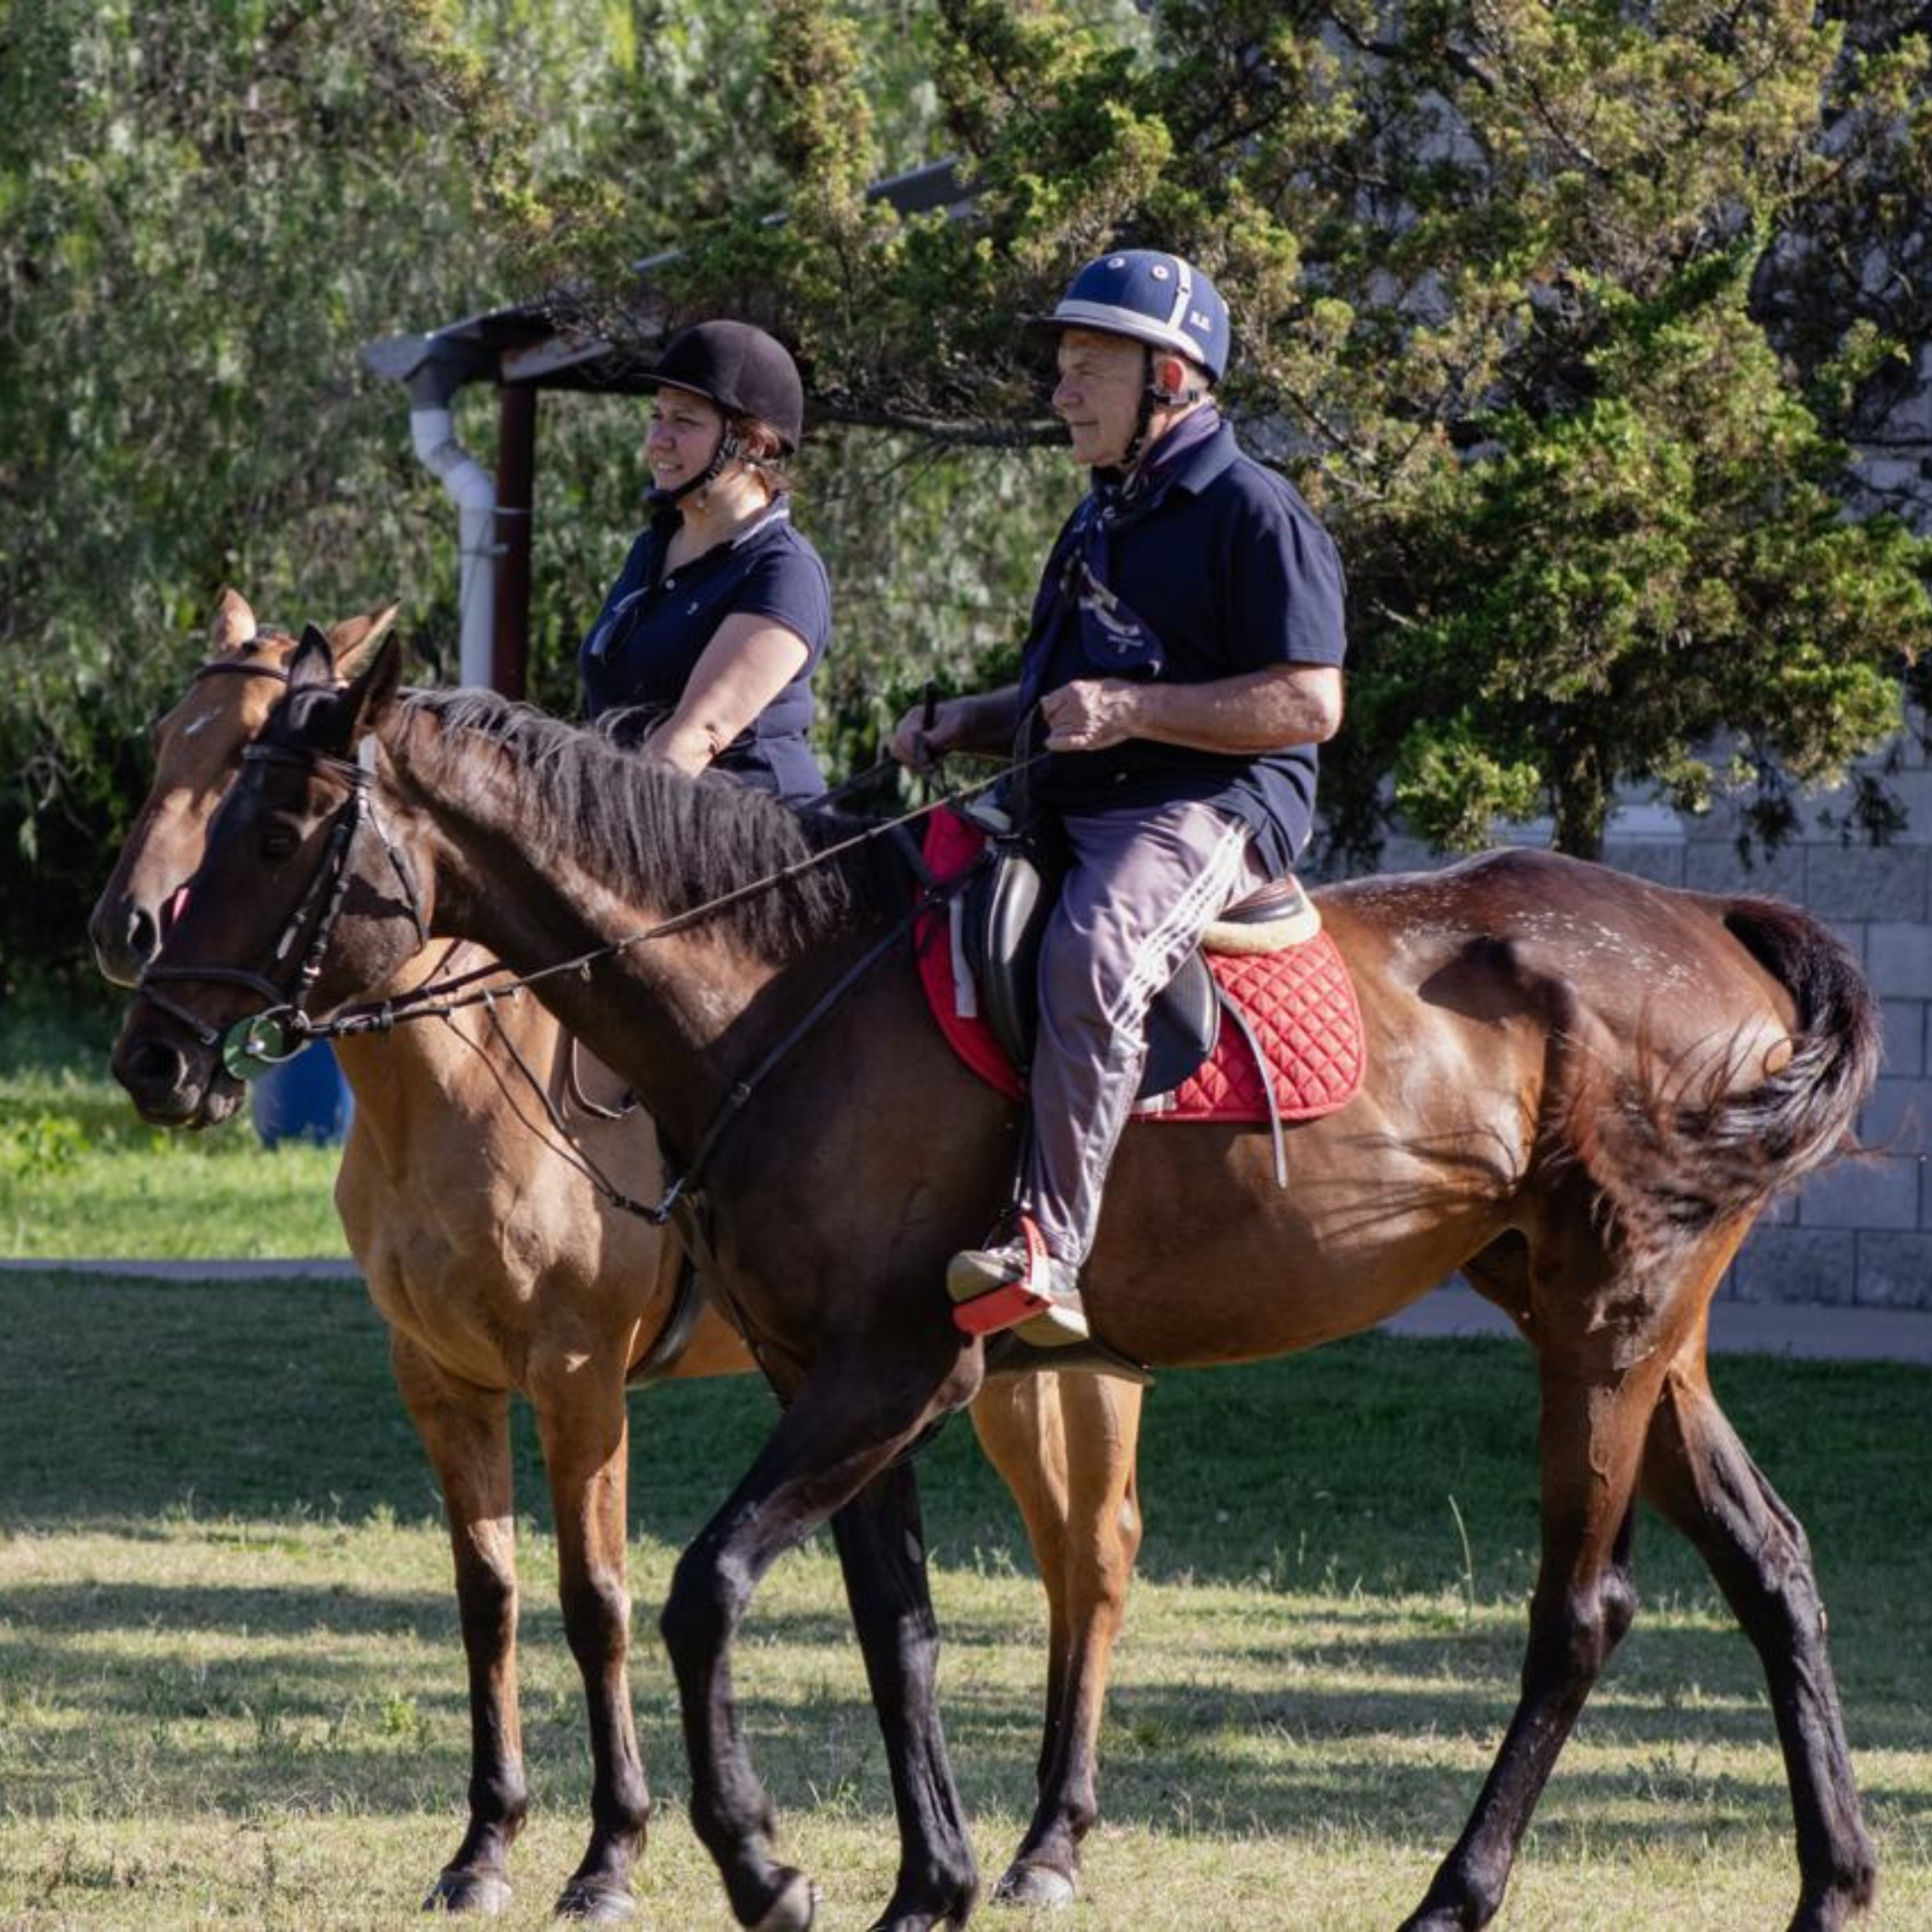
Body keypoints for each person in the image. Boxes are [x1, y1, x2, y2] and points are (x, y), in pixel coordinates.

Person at [890, 250, 1348, 1345]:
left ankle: (1050, 1250)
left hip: (1211, 804)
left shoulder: (1255, 510)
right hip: (1079, 796)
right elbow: (1072, 697)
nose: (1061, 393)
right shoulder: (1100, 515)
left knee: (1095, 948)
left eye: (1086, 366)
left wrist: (1135, 712)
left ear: (1170, 379)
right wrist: (964, 721)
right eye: (1062, 367)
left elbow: (1310, 701)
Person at [580, 319, 831, 802]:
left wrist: (586, 820)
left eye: (684, 421)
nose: (658, 439)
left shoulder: (785, 572)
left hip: (756, 835)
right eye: (657, 416)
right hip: (639, 819)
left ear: (754, 444)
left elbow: (696, 736)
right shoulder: (650, 549)